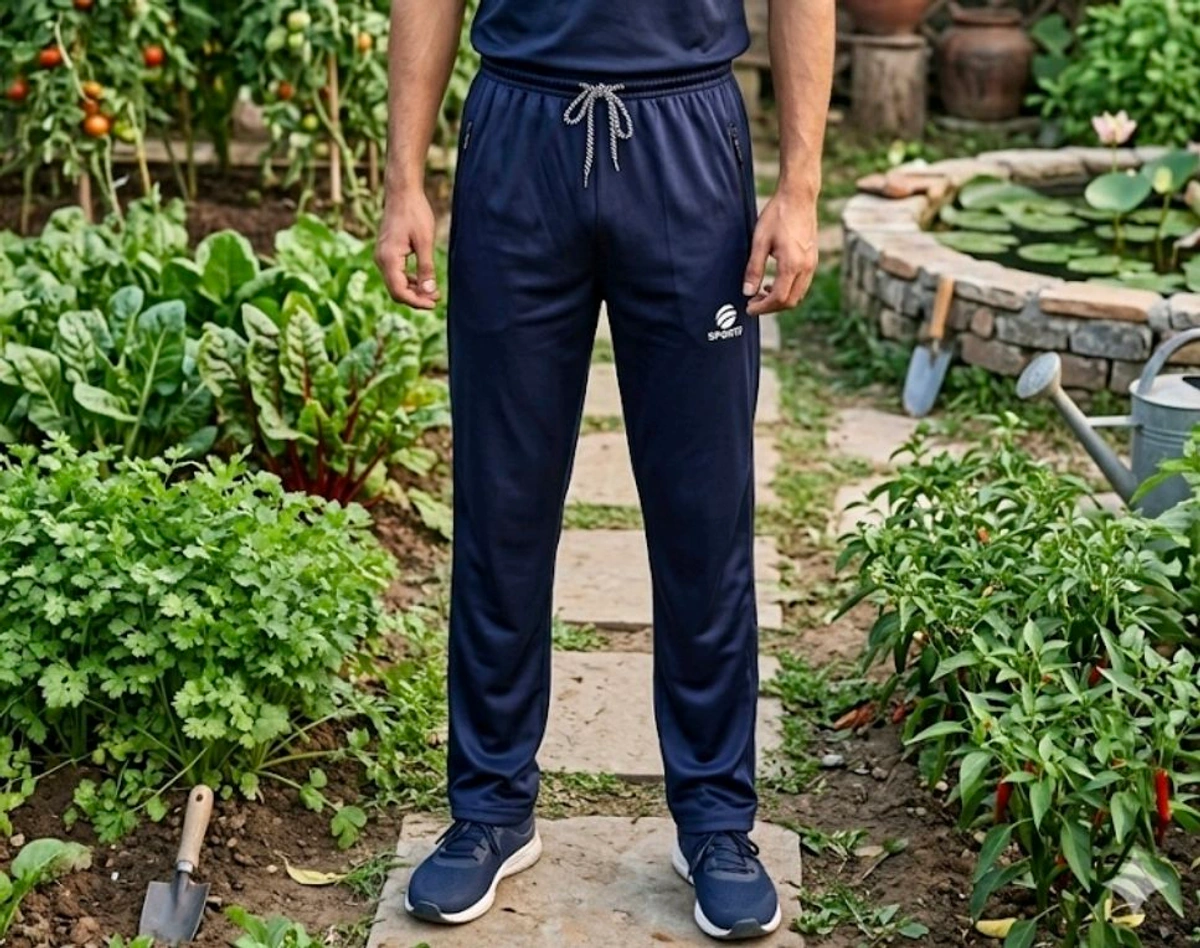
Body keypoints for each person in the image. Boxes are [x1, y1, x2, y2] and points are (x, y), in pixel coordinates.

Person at [375, 0, 834, 939]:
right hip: (518, 137)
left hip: (686, 136)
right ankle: (490, 806)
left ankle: (716, 820)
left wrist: (800, 189)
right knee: (501, 502)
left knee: (704, 513)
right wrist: (403, 180)